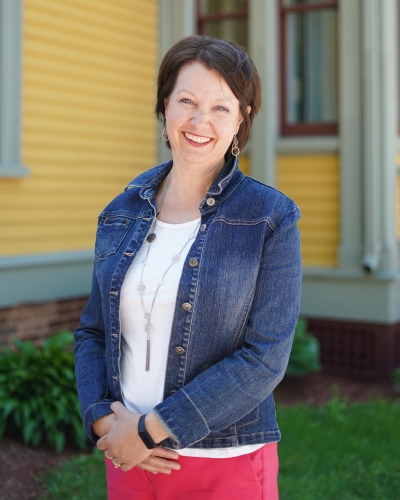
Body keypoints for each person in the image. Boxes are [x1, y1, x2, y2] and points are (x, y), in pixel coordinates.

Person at [74, 35, 302, 500]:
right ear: (165, 108)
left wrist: (151, 429)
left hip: (226, 462)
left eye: (221, 107)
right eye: (187, 101)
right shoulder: (122, 211)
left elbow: (265, 358)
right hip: (130, 460)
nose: (201, 121)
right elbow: (93, 333)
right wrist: (105, 422)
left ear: (242, 119)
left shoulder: (270, 217)